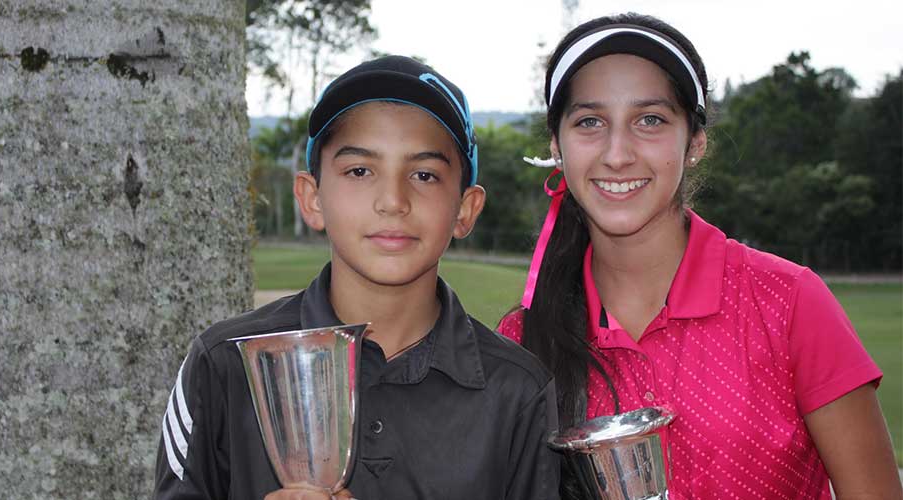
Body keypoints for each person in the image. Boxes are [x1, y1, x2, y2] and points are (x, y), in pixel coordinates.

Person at [497, 13, 902, 500]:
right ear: (557, 147)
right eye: (589, 121)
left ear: (695, 143)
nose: (618, 153)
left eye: (650, 120)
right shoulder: (523, 340)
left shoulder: (789, 303)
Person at [153, 55, 561, 500]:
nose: (392, 200)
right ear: (311, 198)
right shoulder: (224, 366)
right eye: (359, 171)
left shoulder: (518, 391)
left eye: (424, 174)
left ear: (465, 210)